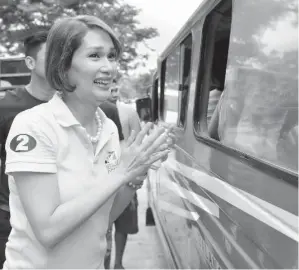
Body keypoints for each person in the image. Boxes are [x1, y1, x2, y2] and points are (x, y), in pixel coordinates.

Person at [3, 15, 172, 269]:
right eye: (95, 56)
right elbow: (48, 231)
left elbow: (103, 220)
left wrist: (138, 171)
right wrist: (121, 173)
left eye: (112, 56)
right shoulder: (34, 126)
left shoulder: (109, 130)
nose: (109, 67)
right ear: (63, 66)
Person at [0, 30, 54, 269]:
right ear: (30, 62)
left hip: (64, 220)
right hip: (11, 219)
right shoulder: (7, 107)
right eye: (51, 56)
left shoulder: (77, 106)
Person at [102, 84, 141, 269]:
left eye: (115, 89)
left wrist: (132, 182)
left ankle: (118, 263)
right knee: (104, 229)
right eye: (109, 89)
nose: (112, 93)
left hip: (123, 174)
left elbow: (132, 144)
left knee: (122, 224)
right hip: (107, 178)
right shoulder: (100, 110)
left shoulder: (127, 112)